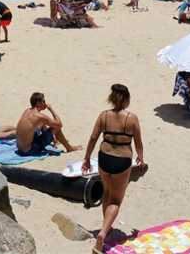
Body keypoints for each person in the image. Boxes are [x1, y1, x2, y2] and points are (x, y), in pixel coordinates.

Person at [82, 84, 144, 253]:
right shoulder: (132, 118)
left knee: (107, 193)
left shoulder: (104, 115)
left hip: (104, 158)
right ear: (127, 99)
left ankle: (106, 226)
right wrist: (141, 157)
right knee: (116, 200)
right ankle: (103, 232)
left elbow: (93, 138)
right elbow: (138, 142)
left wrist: (87, 158)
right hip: (122, 161)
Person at [15, 92, 80, 155]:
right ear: (38, 103)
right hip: (29, 151)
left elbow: (38, 126)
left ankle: (55, 141)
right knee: (56, 128)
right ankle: (69, 148)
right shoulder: (39, 116)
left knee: (42, 124)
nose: (45, 104)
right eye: (43, 101)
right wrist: (51, 109)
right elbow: (59, 124)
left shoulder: (27, 110)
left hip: (20, 149)